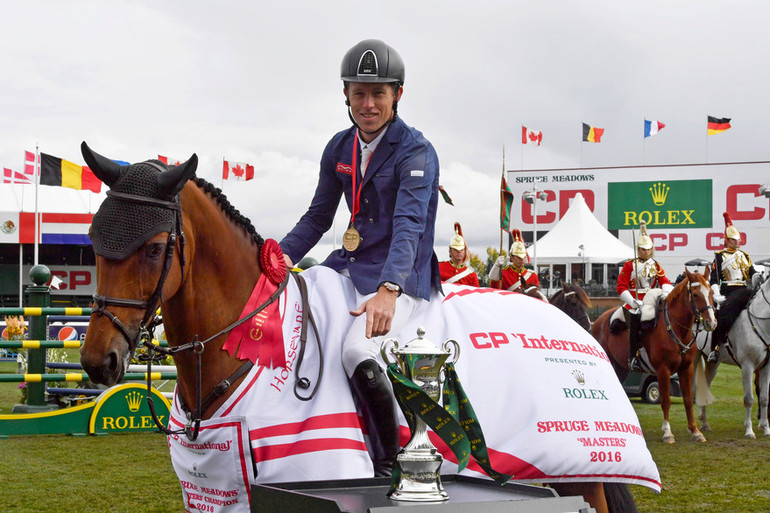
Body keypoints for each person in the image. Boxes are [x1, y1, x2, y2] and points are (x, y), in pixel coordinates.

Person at [279, 39, 441, 476]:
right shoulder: (338, 147)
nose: (367, 105)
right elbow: (317, 218)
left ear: (398, 95)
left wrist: (389, 291)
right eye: (359, 94)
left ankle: (390, 462)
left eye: (378, 94)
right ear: (346, 95)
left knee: (355, 349)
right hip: (348, 266)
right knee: (298, 309)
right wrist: (272, 258)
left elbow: (410, 226)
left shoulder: (416, 151)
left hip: (400, 277)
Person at [615, 221, 673, 371]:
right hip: (636, 301)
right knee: (635, 322)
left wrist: (666, 292)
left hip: (653, 299)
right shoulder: (629, 265)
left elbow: (664, 281)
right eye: (643, 249)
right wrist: (632, 301)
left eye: (648, 249)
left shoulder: (656, 265)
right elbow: (621, 286)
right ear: (638, 249)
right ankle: (633, 356)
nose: (646, 252)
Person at [707, 212, 759, 362]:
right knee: (723, 316)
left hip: (745, 290)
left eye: (738, 239)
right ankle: (714, 349)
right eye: (733, 240)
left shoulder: (745, 255)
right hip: (728, 292)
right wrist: (716, 294)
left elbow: (751, 273)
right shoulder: (719, 256)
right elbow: (714, 279)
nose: (737, 242)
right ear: (727, 240)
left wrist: (757, 276)